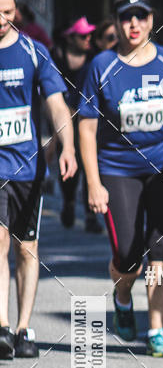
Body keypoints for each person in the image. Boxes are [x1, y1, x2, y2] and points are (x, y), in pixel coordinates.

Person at [79, 0, 163, 358]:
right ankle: (122, 297)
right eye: (125, 17)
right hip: (118, 169)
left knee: (162, 249)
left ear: (152, 20)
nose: (133, 24)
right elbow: (87, 128)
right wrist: (92, 182)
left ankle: (157, 328)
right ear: (117, 23)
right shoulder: (101, 66)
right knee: (127, 253)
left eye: (140, 16)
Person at [0, 0, 76, 360]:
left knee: (26, 249)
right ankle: (0, 326)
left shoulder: (34, 52)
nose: (1, 20)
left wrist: (67, 146)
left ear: (18, 12)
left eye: (7, 13)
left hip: (27, 168)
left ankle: (22, 328)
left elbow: (57, 105)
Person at [52, 16, 101, 233]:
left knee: (86, 163)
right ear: (71, 38)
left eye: (90, 34)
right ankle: (68, 202)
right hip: (62, 118)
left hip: (88, 119)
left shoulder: (94, 58)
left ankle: (91, 215)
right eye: (83, 35)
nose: (88, 38)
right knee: (68, 165)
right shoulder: (56, 56)